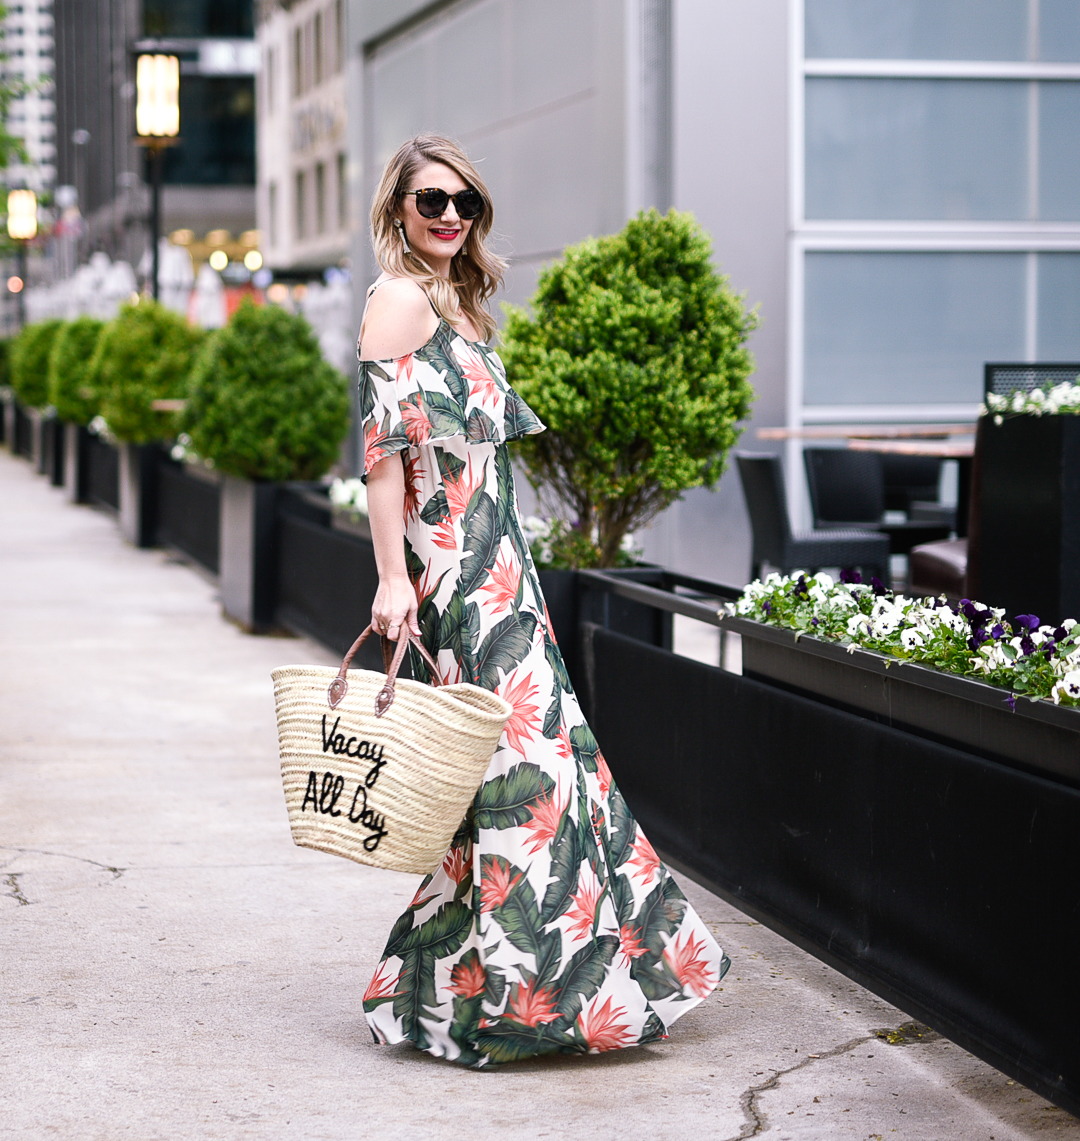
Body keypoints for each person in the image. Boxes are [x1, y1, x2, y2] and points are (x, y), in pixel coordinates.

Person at [357, 134, 728, 1065]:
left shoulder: (463, 308)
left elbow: (484, 470)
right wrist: (395, 579)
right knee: (529, 787)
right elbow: (383, 458)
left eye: (464, 204)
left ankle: (454, 994)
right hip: (457, 581)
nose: (449, 217)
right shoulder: (398, 300)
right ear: (398, 209)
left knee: (536, 780)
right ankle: (532, 995)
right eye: (431, 201)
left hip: (504, 573)